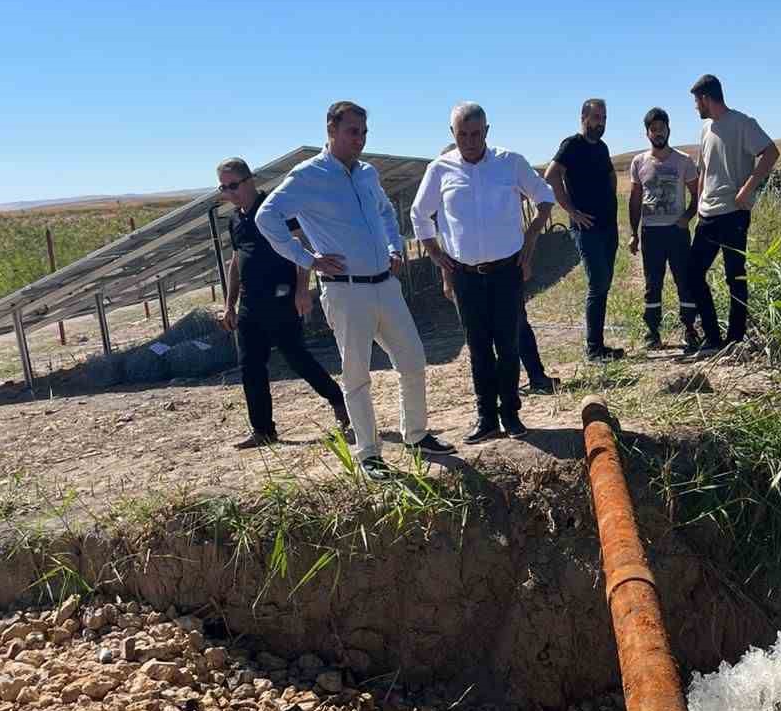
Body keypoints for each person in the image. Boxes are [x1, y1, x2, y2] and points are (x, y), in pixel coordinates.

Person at [255, 101, 450, 477]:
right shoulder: (307, 176)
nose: (359, 139)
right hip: (345, 292)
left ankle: (416, 435)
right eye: (352, 131)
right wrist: (308, 259)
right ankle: (369, 455)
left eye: (363, 132)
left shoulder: (367, 173)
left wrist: (395, 247)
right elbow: (267, 217)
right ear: (331, 130)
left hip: (385, 285)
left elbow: (387, 213)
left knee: (412, 359)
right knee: (357, 374)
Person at [411, 103, 553, 443]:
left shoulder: (510, 162)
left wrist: (531, 238)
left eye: (476, 134)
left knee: (507, 344)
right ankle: (486, 417)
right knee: (477, 347)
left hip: (506, 272)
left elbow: (545, 197)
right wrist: (437, 256)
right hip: (465, 276)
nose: (470, 141)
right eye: (463, 135)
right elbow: (419, 215)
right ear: (453, 134)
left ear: (487, 131)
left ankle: (512, 415)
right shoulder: (440, 170)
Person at [215, 159, 350, 448]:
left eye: (233, 185)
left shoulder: (275, 209)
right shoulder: (235, 220)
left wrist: (302, 290)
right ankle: (263, 430)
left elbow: (301, 247)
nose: (229, 192)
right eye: (224, 187)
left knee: (297, 358)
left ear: (249, 180)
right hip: (251, 303)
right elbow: (236, 261)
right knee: (250, 366)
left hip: (282, 298)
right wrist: (229, 304)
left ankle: (338, 401)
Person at [687, 74, 779, 356]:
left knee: (735, 277)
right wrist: (699, 200)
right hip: (708, 215)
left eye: (696, 102)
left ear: (706, 98)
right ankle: (713, 337)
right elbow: (704, 169)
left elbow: (771, 152)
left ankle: (736, 341)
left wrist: (746, 190)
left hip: (733, 214)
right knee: (692, 273)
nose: (695, 108)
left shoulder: (742, 123)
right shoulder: (705, 129)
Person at [546, 98, 623, 361]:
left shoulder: (602, 147)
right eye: (597, 117)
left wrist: (610, 198)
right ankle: (593, 348)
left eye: (604, 118)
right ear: (583, 117)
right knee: (598, 282)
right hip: (586, 228)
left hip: (608, 226)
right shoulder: (572, 145)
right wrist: (571, 211)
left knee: (605, 284)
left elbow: (611, 175)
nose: (601, 123)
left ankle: (599, 346)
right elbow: (551, 175)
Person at [628, 109, 700, 350]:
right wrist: (633, 233)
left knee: (684, 279)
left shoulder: (684, 160)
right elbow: (635, 198)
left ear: (669, 129)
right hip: (651, 233)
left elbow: (697, 195)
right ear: (647, 133)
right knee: (652, 282)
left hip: (677, 232)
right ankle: (652, 331)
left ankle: (690, 329)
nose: (658, 133)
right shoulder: (639, 162)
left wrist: (687, 217)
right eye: (653, 129)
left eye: (662, 128)